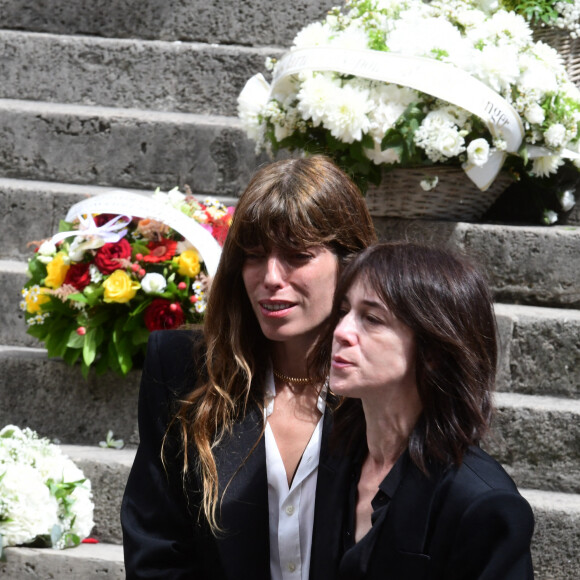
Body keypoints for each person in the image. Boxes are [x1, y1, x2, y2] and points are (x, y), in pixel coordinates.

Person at [120, 155, 377, 579]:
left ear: (349, 263)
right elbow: (156, 547)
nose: (271, 277)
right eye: (254, 256)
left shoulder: (382, 382)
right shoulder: (184, 370)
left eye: (297, 255)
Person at [315, 242, 535, 579]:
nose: (342, 332)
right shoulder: (334, 454)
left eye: (372, 319)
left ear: (433, 351)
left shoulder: (482, 504)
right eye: (344, 311)